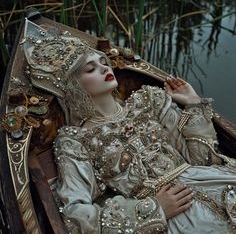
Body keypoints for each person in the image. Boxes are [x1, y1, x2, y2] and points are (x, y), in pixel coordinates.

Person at [23, 19, 236, 234]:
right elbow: (74, 215)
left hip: (211, 181)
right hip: (174, 217)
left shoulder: (150, 101)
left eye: (102, 62)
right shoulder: (76, 141)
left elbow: (206, 161)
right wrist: (153, 209)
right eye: (90, 69)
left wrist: (193, 105)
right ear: (73, 86)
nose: (105, 68)